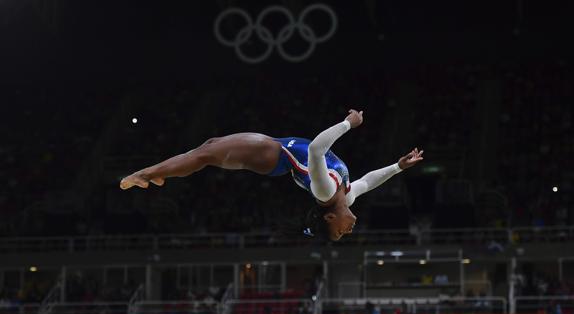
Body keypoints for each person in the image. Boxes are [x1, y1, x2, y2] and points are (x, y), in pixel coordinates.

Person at [120, 110, 423, 241]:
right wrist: (398, 166)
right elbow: (369, 180)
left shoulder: (324, 192)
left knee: (206, 154)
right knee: (208, 149)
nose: (350, 230)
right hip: (276, 149)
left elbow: (317, 149)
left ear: (330, 218)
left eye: (342, 232)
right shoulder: (346, 195)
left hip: (273, 154)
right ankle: (157, 174)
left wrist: (347, 124)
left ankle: (147, 174)